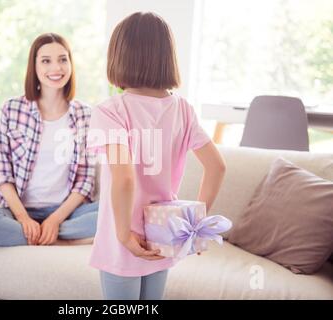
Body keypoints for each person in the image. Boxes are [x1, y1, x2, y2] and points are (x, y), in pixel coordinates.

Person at [87, 12, 226, 299]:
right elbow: (217, 167)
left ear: (119, 56)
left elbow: (124, 179)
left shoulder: (111, 110)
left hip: (125, 239)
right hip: (165, 231)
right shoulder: (183, 110)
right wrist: (194, 226)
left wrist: (124, 234)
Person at [0, 33, 98, 247]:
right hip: (16, 210)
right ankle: (52, 235)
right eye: (46, 61)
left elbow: (84, 182)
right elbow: (3, 174)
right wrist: (24, 218)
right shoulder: (11, 109)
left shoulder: (86, 115)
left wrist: (54, 220)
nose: (56, 68)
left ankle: (49, 232)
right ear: (34, 67)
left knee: (117, 211)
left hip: (65, 212)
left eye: (63, 59)